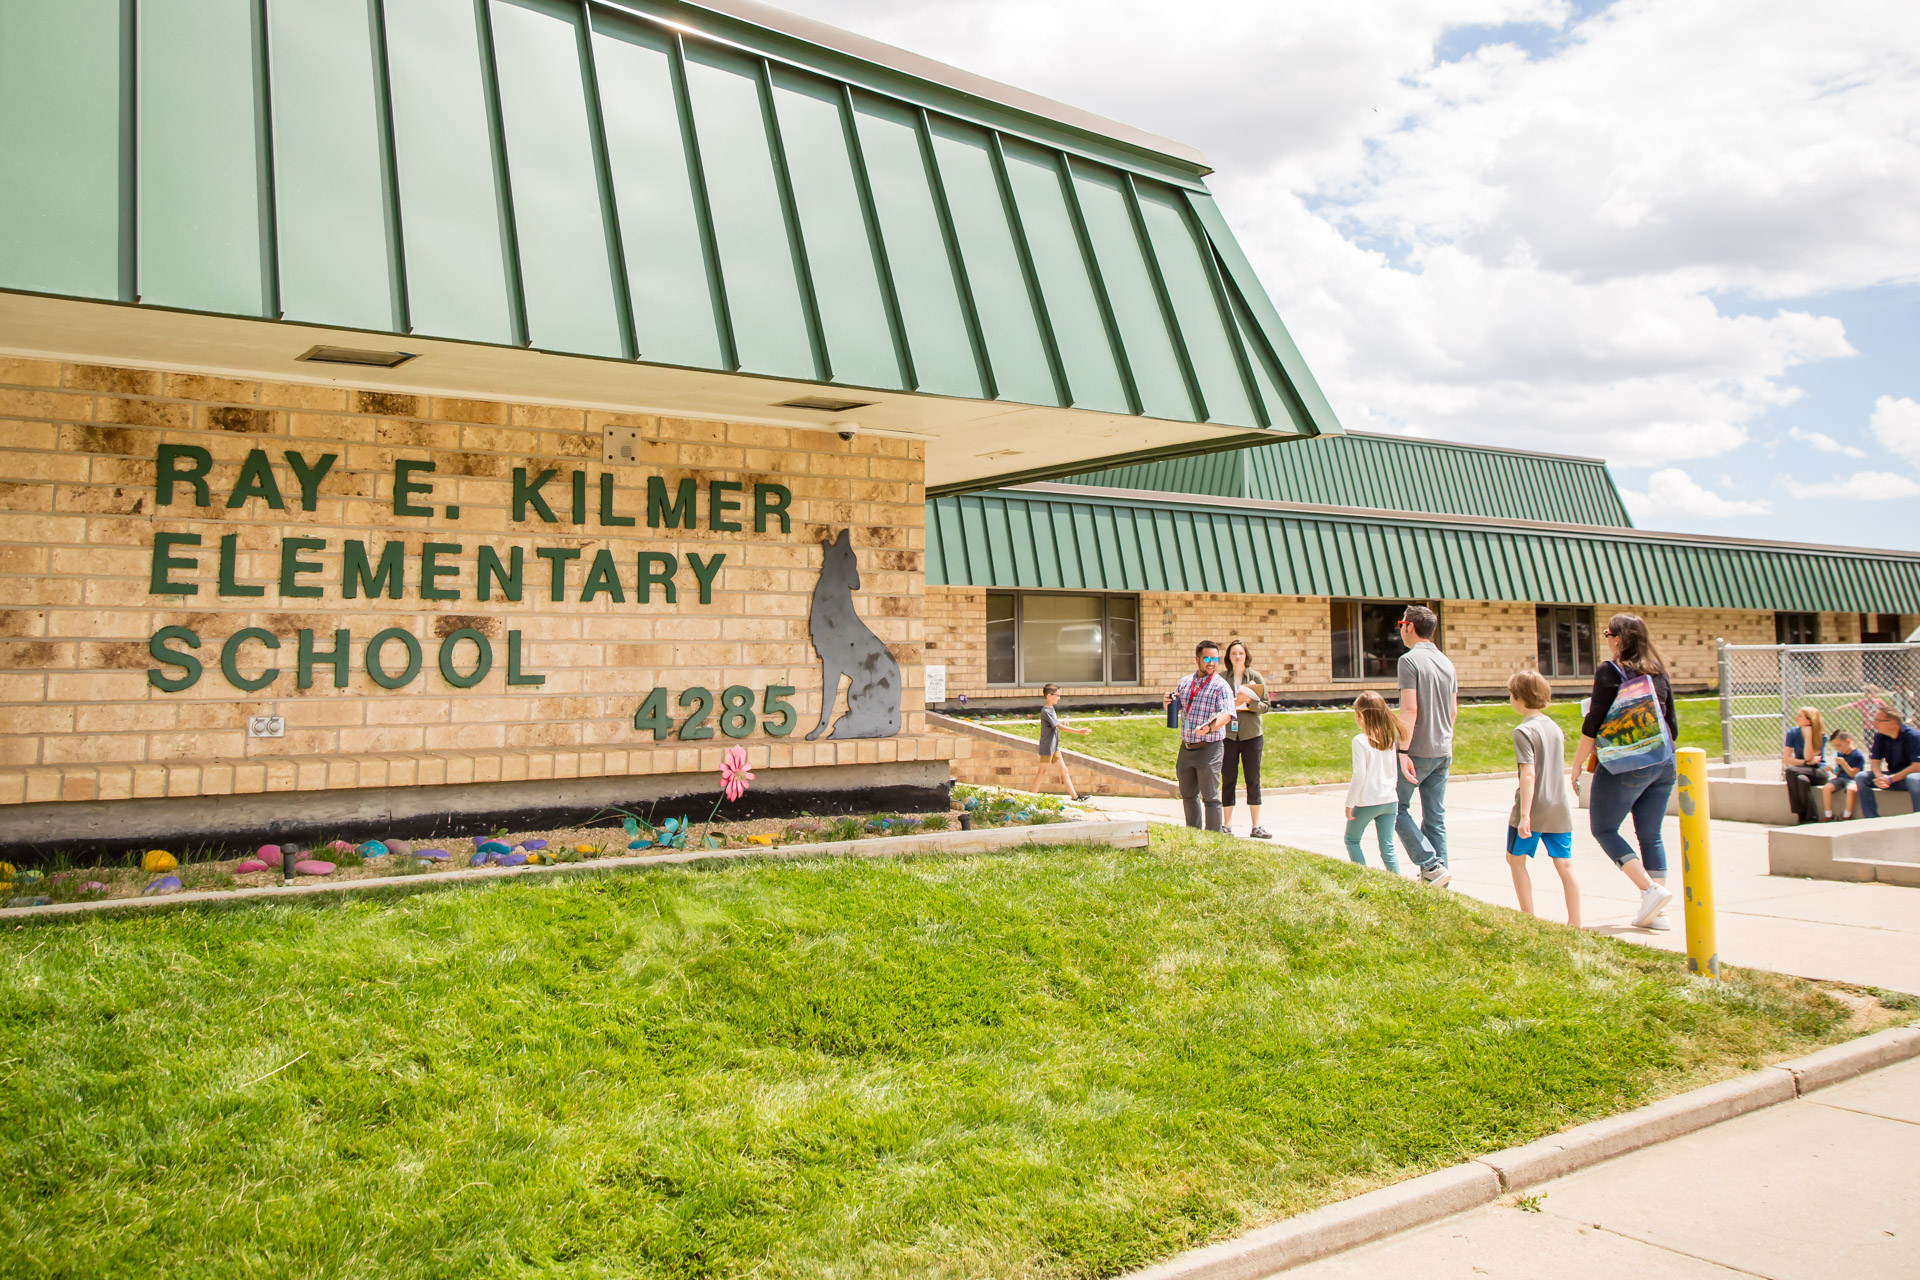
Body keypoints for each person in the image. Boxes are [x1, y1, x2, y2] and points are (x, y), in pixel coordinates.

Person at [1569, 613, 1676, 930]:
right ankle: (1658, 914)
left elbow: (1594, 722)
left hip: (1627, 764)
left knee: (1603, 829)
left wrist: (1577, 764)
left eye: (1606, 633)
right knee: (1651, 835)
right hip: (1663, 762)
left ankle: (1650, 891)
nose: (1606, 639)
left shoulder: (1610, 671)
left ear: (1618, 638)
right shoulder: (1657, 671)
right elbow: (1673, 726)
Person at [1504, 671, 1580, 929]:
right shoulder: (1555, 728)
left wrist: (1525, 816)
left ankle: (1528, 918)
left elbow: (1529, 773)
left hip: (1534, 807)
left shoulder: (1523, 730)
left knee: (1515, 859)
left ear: (1520, 698)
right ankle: (1576, 921)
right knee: (1565, 864)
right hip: (1559, 807)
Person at [1393, 605, 1455, 887]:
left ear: (1409, 627)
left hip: (1416, 750)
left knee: (1393, 807)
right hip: (1443, 749)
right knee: (1435, 818)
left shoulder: (1409, 661)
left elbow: (1410, 709)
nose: (1400, 629)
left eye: (1400, 624)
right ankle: (1441, 879)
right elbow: (1453, 711)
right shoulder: (1446, 662)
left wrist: (1403, 750)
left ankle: (1430, 865)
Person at [1162, 640, 1236, 831]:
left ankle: (1213, 840)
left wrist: (1210, 728)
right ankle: (1193, 835)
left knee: (1210, 797)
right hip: (1187, 747)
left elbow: (1227, 713)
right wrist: (1167, 704)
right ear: (1197, 659)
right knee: (1187, 795)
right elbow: (1177, 707)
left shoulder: (1221, 686)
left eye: (1215, 659)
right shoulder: (1185, 682)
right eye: (1207, 658)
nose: (1211, 663)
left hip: (1209, 748)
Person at [1220, 640, 1273, 839]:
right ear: (1229, 657)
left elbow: (1266, 706)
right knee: (1228, 779)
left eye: (1240, 653)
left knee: (1253, 779)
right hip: (1228, 735)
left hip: (1252, 735)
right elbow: (1219, 706)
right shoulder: (1222, 679)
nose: (1237, 657)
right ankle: (1226, 825)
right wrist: (1236, 702)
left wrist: (1250, 702)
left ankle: (1256, 826)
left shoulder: (1255, 678)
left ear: (1246, 655)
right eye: (1234, 653)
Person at [1343, 692, 1402, 872]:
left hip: (1368, 801)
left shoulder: (1360, 741)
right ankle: (1397, 882)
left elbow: (1359, 775)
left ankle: (1362, 877)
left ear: (1360, 715)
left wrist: (1349, 803)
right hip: (1390, 800)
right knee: (1387, 846)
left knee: (1352, 840)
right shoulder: (1389, 738)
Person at [1855, 706, 1920, 818]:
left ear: (1892, 723)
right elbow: (1875, 763)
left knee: (1913, 779)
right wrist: (1880, 777)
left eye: (1878, 721)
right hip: (1892, 779)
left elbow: (1917, 767)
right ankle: (1871, 819)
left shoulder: (1913, 736)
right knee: (1861, 777)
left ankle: (1917, 819)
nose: (1875, 724)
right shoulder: (1880, 737)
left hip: (1910, 778)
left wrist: (1891, 779)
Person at [1030, 683, 1090, 800]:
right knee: (1042, 771)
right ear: (1049, 696)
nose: (1059, 698)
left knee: (1064, 770)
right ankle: (1031, 797)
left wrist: (1061, 722)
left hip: (1054, 746)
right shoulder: (1046, 711)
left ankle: (1075, 796)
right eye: (1057, 695)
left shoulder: (1051, 709)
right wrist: (1079, 731)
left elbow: (1055, 725)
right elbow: (1059, 728)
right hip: (1048, 746)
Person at [1780, 706, 1829, 824]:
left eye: (1800, 716)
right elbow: (1786, 759)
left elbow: (1808, 756)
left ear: (1809, 720)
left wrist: (1808, 736)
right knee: (1802, 780)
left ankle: (1802, 814)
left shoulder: (1821, 736)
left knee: (1791, 771)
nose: (1796, 717)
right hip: (1801, 769)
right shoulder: (1792, 733)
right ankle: (1807, 817)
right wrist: (1805, 763)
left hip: (1818, 772)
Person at [1823, 730, 1865, 820]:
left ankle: (1847, 815)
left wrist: (1844, 763)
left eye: (1839, 745)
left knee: (1851, 789)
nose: (1838, 748)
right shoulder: (1840, 754)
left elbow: (1853, 774)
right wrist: (1831, 769)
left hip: (1852, 779)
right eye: (1836, 746)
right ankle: (1828, 815)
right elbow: (1837, 772)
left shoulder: (1857, 756)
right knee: (1826, 788)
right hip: (1841, 778)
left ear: (1848, 741)